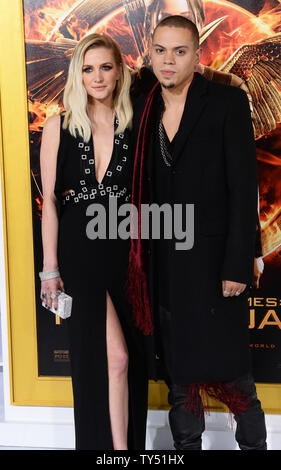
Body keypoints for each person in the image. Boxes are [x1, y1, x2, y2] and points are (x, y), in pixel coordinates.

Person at [128, 15, 267, 450]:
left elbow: (244, 189)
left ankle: (255, 447)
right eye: (160, 51)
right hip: (165, 265)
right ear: (150, 53)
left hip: (215, 264)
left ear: (197, 55)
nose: (168, 61)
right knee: (179, 375)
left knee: (237, 378)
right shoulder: (140, 102)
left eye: (180, 51)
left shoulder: (225, 102)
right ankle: (186, 449)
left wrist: (238, 263)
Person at [39, 33, 147, 450]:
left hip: (127, 253)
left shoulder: (135, 123)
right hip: (80, 253)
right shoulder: (60, 125)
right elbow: (49, 201)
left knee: (126, 362)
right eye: (88, 68)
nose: (97, 76)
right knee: (104, 360)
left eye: (105, 67)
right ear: (77, 75)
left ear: (119, 71)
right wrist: (50, 270)